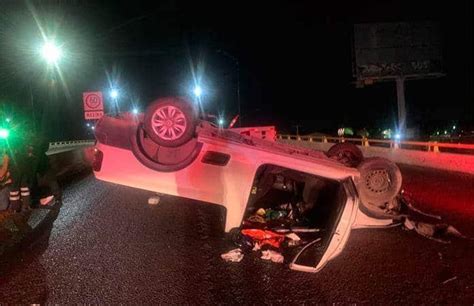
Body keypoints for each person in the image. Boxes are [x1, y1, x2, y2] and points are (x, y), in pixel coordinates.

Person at [0, 147, 12, 211]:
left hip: (6, 186)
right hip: (3, 186)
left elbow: (3, 171)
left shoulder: (6, 157)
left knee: (3, 206)